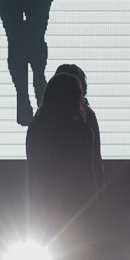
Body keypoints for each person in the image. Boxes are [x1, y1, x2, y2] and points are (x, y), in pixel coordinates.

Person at [26, 72, 99, 260]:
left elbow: (34, 173)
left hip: (45, 213)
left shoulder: (36, 130)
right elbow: (89, 177)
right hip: (76, 214)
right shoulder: (83, 131)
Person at [54, 63, 105, 193]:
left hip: (50, 190)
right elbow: (95, 160)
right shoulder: (88, 117)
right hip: (82, 191)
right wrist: (99, 196)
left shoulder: (42, 118)